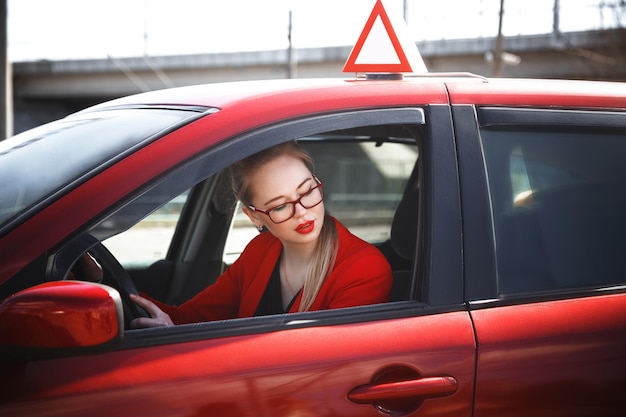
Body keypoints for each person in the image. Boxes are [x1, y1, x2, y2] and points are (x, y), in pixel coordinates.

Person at [130, 141, 392, 328]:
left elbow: (318, 363)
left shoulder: (365, 269)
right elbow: (187, 319)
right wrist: (109, 289)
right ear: (254, 215)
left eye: (308, 191)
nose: (302, 211)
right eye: (280, 205)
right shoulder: (260, 250)